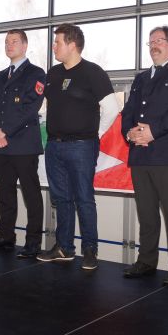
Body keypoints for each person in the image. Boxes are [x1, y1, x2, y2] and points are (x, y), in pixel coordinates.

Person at [37, 23, 119, 270]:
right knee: (61, 199)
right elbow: (49, 107)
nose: (54, 46)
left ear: (72, 45)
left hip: (82, 146)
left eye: (57, 42)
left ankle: (90, 250)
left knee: (84, 198)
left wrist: (96, 133)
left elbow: (112, 109)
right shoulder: (52, 73)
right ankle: (64, 247)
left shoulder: (93, 72)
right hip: (54, 146)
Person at [121, 25, 168, 285]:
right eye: (151, 42)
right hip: (140, 154)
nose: (154, 45)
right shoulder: (141, 78)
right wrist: (129, 132)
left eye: (160, 41)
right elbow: (129, 110)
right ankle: (146, 261)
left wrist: (153, 132)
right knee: (146, 213)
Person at [0, 29, 46, 258]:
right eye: (7, 42)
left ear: (25, 45)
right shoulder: (0, 76)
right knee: (5, 194)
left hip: (24, 145)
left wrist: (5, 131)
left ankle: (33, 242)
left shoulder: (36, 73)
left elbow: (31, 108)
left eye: (14, 41)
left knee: (31, 195)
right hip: (1, 145)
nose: (9, 45)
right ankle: (6, 237)